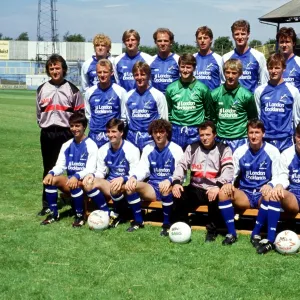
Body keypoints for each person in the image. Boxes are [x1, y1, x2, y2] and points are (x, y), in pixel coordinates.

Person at [218, 119, 284, 254]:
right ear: (247, 134)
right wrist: (228, 184)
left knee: (269, 193)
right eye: (251, 132)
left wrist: (270, 184)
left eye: (257, 132)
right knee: (223, 192)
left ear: (263, 134)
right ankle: (232, 233)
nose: (254, 136)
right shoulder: (240, 151)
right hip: (245, 194)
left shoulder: (273, 151)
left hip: (262, 194)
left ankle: (256, 233)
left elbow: (279, 175)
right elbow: (232, 173)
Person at [36, 54, 84, 216]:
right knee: (48, 168)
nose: (55, 71)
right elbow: (38, 114)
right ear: (48, 71)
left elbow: (80, 115)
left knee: (72, 168)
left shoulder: (72, 89)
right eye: (51, 68)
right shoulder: (42, 89)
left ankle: (75, 200)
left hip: (66, 134)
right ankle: (48, 204)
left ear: (63, 69)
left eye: (57, 68)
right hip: (48, 133)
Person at [169, 120, 233, 242]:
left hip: (213, 188)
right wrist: (176, 182)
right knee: (178, 193)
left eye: (207, 135)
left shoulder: (223, 149)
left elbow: (228, 169)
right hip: (196, 187)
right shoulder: (192, 147)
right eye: (202, 135)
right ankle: (182, 226)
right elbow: (181, 165)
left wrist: (218, 186)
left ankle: (212, 231)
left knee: (215, 197)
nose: (204, 138)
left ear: (214, 135)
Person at [125, 119, 183, 235]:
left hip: (169, 186)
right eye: (155, 132)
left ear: (167, 132)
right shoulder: (148, 148)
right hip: (152, 187)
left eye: (161, 132)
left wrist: (170, 180)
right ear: (151, 133)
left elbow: (181, 174)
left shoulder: (176, 149)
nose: (158, 135)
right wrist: (134, 177)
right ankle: (138, 221)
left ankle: (166, 224)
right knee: (130, 186)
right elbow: (143, 169)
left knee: (165, 188)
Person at [41, 111, 98, 226]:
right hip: (70, 181)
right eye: (72, 126)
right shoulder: (66, 145)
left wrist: (77, 176)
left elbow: (90, 169)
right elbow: (60, 166)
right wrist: (51, 173)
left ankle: (79, 216)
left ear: (84, 127)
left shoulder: (91, 145)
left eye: (77, 126)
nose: (74, 129)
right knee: (50, 180)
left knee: (75, 183)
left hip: (85, 183)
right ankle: (54, 214)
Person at [83, 118, 140, 227]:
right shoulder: (103, 150)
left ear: (121, 133)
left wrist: (122, 179)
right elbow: (101, 172)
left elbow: (135, 174)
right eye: (108, 131)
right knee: (89, 183)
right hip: (111, 184)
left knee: (115, 186)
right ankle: (106, 213)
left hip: (126, 185)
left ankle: (120, 213)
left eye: (114, 131)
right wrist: (92, 175)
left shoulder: (132, 149)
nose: (110, 135)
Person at [165, 53, 214, 149]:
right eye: (182, 67)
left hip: (195, 130)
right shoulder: (171, 88)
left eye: (188, 67)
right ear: (179, 67)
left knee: (196, 162)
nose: (185, 70)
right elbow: (169, 112)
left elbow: (209, 112)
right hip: (176, 130)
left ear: (194, 68)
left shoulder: (203, 88)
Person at [254, 53, 300, 152]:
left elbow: (296, 118)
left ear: (284, 68)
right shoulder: (259, 91)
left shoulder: (293, 91)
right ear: (267, 69)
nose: (273, 71)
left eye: (277, 68)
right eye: (271, 68)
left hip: (286, 140)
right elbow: (258, 116)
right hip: (266, 140)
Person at [211, 59, 257, 152]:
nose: (230, 76)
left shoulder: (247, 95)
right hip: (220, 138)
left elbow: (252, 119)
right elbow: (212, 118)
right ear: (224, 73)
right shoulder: (214, 94)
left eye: (234, 73)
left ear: (240, 74)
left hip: (240, 139)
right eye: (227, 72)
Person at [126, 61, 168, 151]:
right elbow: (127, 118)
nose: (139, 78)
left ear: (148, 76)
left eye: (143, 74)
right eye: (136, 75)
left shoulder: (158, 95)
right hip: (132, 138)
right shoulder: (128, 96)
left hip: (150, 139)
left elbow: (164, 120)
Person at [84, 59, 127, 148]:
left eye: (105, 72)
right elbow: (88, 115)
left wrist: (115, 133)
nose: (102, 75)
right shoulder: (89, 92)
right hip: (94, 136)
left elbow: (124, 116)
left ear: (111, 73)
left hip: (112, 137)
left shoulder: (120, 91)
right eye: (99, 72)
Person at [222, 19, 268, 93]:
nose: (240, 37)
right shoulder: (226, 58)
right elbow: (223, 82)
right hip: (232, 101)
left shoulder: (259, 57)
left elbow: (263, 83)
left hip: (251, 102)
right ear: (233, 35)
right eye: (237, 34)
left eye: (243, 34)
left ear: (248, 34)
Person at [193, 26, 224, 90]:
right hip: (195, 98)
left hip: (213, 99)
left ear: (211, 39)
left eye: (205, 38)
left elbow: (223, 82)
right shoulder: (192, 58)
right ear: (196, 40)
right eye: (199, 38)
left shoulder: (219, 59)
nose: (202, 41)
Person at [150, 28, 179, 94]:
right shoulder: (150, 61)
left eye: (166, 41)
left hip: (173, 101)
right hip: (156, 102)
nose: (162, 43)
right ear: (155, 42)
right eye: (159, 41)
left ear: (171, 42)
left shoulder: (178, 60)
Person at [276, 27, 300, 92]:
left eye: (287, 42)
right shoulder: (272, 64)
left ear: (294, 43)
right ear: (278, 43)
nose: (284, 45)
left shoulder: (298, 62)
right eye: (281, 42)